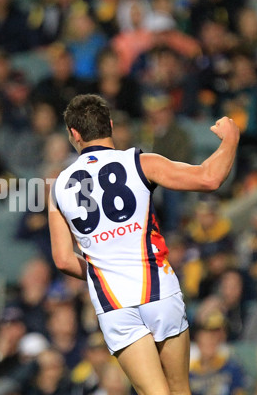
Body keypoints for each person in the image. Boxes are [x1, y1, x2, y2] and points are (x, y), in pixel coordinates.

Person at [49, 94, 239, 395]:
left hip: (113, 302)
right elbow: (209, 178)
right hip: (158, 289)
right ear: (110, 125)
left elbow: (62, 259)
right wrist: (231, 139)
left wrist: (102, 271)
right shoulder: (140, 162)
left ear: (74, 134)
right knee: (179, 389)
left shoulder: (58, 185)